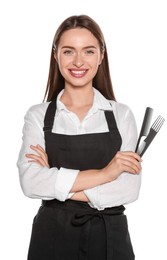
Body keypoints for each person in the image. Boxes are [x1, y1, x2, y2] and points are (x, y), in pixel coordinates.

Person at [17, 14, 142, 260]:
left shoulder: (121, 115)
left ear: (101, 55)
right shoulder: (38, 116)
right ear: (56, 55)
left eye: (88, 51)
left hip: (109, 239)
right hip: (52, 239)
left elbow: (128, 189)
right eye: (68, 51)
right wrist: (106, 174)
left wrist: (56, 184)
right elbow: (31, 183)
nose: (78, 61)